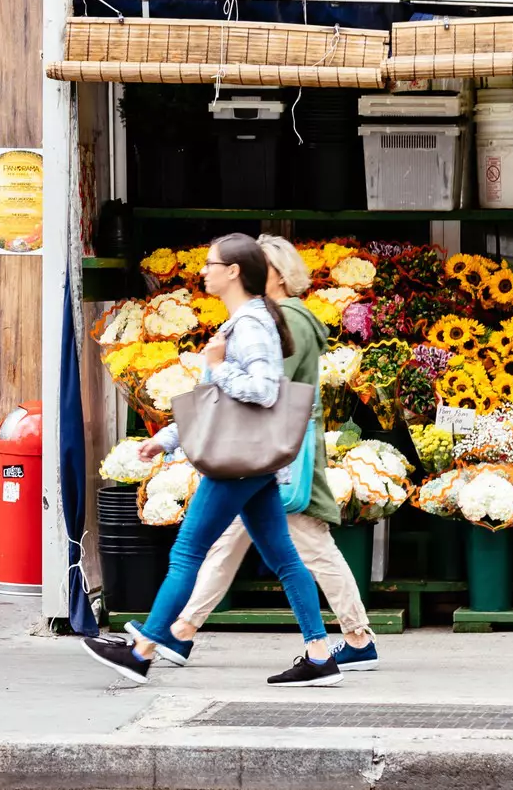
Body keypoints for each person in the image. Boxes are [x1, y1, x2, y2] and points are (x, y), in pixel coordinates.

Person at [82, 233, 343, 688]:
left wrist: (218, 365)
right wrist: (167, 439)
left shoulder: (251, 325)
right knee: (283, 557)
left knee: (187, 551)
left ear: (234, 272)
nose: (203, 270)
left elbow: (263, 390)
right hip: (251, 459)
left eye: (211, 263)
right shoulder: (246, 320)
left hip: (238, 462)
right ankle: (319, 655)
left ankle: (142, 652)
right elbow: (217, 403)